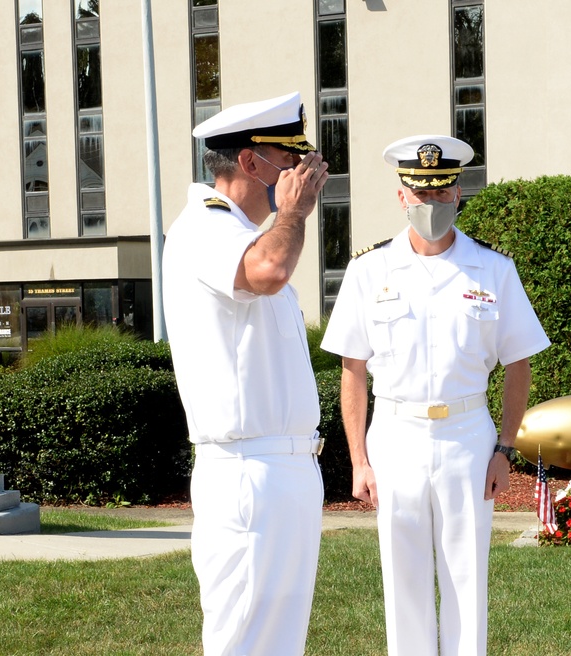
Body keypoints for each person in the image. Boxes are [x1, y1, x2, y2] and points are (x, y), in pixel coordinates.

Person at [321, 134, 550, 655]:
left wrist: (504, 449)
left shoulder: (494, 269)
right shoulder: (367, 270)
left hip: (468, 438)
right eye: (419, 194)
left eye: (441, 192)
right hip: (395, 436)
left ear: (458, 195)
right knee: (402, 580)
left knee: (466, 576)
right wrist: (358, 459)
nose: (430, 203)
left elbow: (519, 363)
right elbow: (352, 370)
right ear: (401, 197)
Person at [162, 91, 330, 656]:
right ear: (252, 163)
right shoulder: (204, 227)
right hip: (245, 471)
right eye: (290, 162)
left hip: (284, 467)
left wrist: (287, 219)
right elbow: (269, 271)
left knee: (279, 643)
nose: (301, 177)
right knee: (244, 642)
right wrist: (292, 215)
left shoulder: (242, 233)